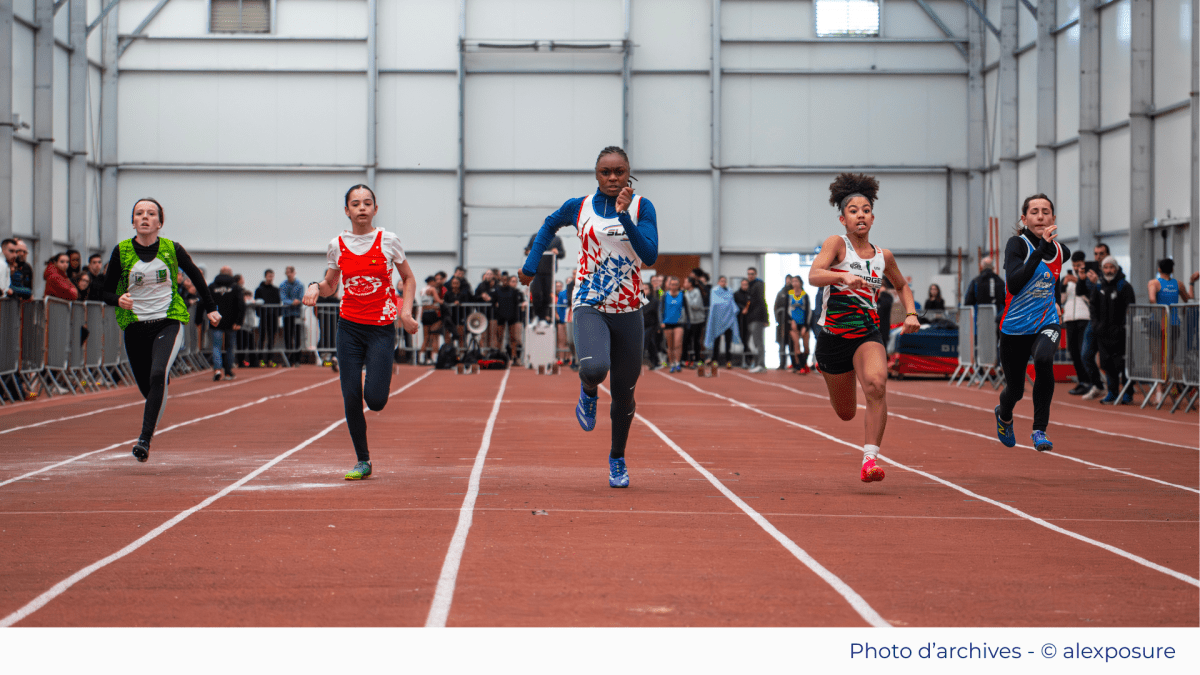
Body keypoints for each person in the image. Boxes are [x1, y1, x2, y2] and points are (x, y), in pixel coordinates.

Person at [520, 145, 658, 489]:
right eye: (605, 172)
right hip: (589, 302)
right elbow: (549, 225)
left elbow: (650, 255)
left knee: (625, 393)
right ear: (596, 175)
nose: (612, 178)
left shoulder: (642, 207)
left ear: (629, 173)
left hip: (628, 307)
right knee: (595, 368)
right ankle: (587, 390)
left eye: (619, 172)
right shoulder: (579, 207)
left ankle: (617, 459)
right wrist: (531, 266)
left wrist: (625, 216)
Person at [303, 184, 420, 480]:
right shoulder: (336, 245)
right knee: (351, 394)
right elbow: (332, 285)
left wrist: (405, 313)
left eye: (367, 203)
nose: (362, 208)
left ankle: (377, 381)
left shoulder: (388, 241)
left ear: (375, 209)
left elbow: (407, 278)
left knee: (376, 400)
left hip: (381, 328)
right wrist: (316, 287)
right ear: (347, 211)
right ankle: (363, 460)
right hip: (349, 328)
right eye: (355, 204)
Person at [809, 173, 919, 483]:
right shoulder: (837, 245)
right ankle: (829, 372)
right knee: (846, 412)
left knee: (875, 384)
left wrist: (911, 312)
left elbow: (902, 286)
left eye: (866, 209)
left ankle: (870, 460)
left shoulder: (883, 257)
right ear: (843, 218)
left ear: (872, 217)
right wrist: (840, 277)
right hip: (833, 338)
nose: (861, 215)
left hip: (867, 334)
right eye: (854, 210)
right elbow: (814, 275)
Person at [101, 198, 220, 462]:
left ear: (160, 222)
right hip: (134, 326)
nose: (145, 217)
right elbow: (104, 289)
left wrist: (211, 307)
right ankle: (157, 395)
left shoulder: (172, 249)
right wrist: (117, 299)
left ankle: (144, 440)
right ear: (132, 222)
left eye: (151, 213)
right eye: (139, 213)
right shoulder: (121, 251)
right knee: (150, 388)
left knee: (157, 374)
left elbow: (196, 276)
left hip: (168, 321)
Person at [993, 193, 1071, 452]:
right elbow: (1014, 284)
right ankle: (1004, 414)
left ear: (1053, 218)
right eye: (1035, 212)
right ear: (1025, 219)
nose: (1041, 216)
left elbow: (1054, 276)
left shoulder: (1062, 251)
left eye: (1046, 211)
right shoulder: (1017, 245)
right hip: (1014, 329)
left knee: (1044, 359)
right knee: (1015, 391)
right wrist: (1039, 251)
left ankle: (1039, 429)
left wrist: (1056, 300)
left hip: (1046, 322)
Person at [1086, 256, 1136, 405]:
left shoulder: (1124, 286)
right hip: (1103, 333)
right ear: (1102, 269)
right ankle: (1112, 393)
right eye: (1106, 267)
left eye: (1111, 267)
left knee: (1124, 363)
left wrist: (1122, 327)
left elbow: (1131, 308)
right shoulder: (1098, 286)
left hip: (1121, 334)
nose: (1109, 270)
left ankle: (1128, 393)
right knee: (1107, 364)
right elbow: (1093, 307)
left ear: (1116, 268)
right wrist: (1096, 325)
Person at [1078, 242, 1110, 399]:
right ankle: (1097, 385)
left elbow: (1109, 291)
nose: (1098, 257)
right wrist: (1081, 279)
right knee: (1085, 354)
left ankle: (1116, 390)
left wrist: (1098, 281)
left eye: (1101, 254)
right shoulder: (1092, 270)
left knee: (1108, 356)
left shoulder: (1111, 270)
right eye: (1096, 254)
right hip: (1094, 319)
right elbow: (1081, 292)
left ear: (1107, 254)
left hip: (1109, 320)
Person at [1059, 251, 1093, 395]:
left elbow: (1089, 297)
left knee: (1082, 351)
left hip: (1084, 316)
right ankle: (1082, 381)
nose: (1076, 267)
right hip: (1070, 318)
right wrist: (1064, 285)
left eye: (1078, 265)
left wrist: (1079, 281)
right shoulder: (1066, 278)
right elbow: (1061, 300)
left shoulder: (1088, 276)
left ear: (1083, 263)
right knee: (1073, 352)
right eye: (1073, 265)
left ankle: (1090, 381)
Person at [208, 267, 244, 381]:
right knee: (230, 347)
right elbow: (241, 305)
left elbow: (205, 302)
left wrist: (199, 318)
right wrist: (239, 321)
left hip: (216, 320)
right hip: (231, 321)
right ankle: (228, 371)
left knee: (216, 346)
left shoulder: (212, 287)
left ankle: (217, 369)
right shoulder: (235, 287)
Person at [704, 276, 742, 367]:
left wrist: (727, 306)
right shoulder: (714, 291)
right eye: (721, 281)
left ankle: (728, 360)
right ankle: (715, 359)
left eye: (725, 281)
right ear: (718, 282)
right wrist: (725, 305)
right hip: (717, 320)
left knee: (728, 342)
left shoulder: (729, 291)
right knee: (716, 341)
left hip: (728, 320)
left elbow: (731, 303)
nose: (723, 282)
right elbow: (715, 304)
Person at [743, 267, 769, 373]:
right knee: (754, 342)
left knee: (758, 342)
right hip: (751, 318)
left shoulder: (758, 285)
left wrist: (765, 318)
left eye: (752, 274)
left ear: (756, 274)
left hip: (757, 318)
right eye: (749, 274)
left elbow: (762, 301)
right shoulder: (750, 285)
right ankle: (757, 362)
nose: (750, 275)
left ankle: (761, 364)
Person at [255, 269, 281, 366]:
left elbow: (278, 303)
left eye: (272, 276)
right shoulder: (259, 289)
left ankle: (270, 360)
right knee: (262, 338)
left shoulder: (275, 290)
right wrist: (259, 314)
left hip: (273, 317)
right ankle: (260, 360)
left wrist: (278, 315)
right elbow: (256, 303)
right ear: (265, 276)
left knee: (271, 339)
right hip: (263, 317)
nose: (271, 278)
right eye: (269, 276)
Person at [280, 266, 305, 365]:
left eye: (290, 272)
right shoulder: (283, 285)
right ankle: (289, 359)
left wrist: (298, 301)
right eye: (287, 272)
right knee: (288, 337)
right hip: (287, 314)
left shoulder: (300, 285)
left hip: (297, 314)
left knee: (297, 336)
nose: (288, 274)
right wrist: (292, 302)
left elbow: (301, 297)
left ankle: (297, 359)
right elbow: (283, 298)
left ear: (294, 273)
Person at [660, 276, 685, 372]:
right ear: (669, 285)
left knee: (677, 343)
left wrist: (687, 321)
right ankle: (672, 363)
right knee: (670, 346)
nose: (674, 286)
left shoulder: (682, 295)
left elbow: (686, 309)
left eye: (675, 284)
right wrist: (661, 322)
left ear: (678, 285)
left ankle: (678, 362)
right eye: (672, 284)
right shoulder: (664, 295)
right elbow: (660, 309)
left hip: (679, 322)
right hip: (667, 323)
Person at [787, 276, 811, 373]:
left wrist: (806, 326)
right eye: (793, 281)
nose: (794, 283)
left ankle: (804, 363)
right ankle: (800, 367)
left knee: (806, 348)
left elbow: (808, 311)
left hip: (803, 324)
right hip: (793, 324)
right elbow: (787, 310)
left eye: (796, 281)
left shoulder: (805, 295)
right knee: (797, 345)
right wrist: (791, 321)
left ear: (800, 283)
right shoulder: (789, 294)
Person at [419, 275, 444, 364]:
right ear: (431, 282)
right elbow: (439, 300)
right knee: (434, 337)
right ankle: (434, 359)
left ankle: (421, 359)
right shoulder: (432, 289)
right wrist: (443, 302)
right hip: (432, 314)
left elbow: (424, 304)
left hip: (425, 313)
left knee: (426, 338)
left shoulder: (422, 290)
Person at [682, 275, 706, 366]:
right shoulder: (685, 292)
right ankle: (685, 360)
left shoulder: (696, 292)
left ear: (690, 283)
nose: (684, 284)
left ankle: (697, 360)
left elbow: (696, 305)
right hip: (688, 321)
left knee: (696, 341)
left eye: (685, 282)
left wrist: (686, 297)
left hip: (698, 320)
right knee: (686, 341)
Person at [774, 276, 794, 369]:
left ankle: (794, 363)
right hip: (781, 322)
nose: (788, 281)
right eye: (787, 279)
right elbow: (776, 306)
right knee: (782, 343)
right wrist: (777, 319)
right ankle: (782, 364)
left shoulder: (795, 292)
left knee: (792, 343)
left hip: (791, 322)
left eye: (790, 279)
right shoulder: (781, 292)